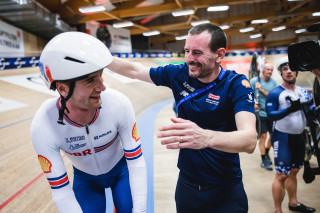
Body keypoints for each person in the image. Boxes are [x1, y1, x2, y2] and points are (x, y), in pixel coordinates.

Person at [107, 23, 257, 213]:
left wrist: (205, 137)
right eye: (186, 51)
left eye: (197, 53)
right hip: (187, 186)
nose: (189, 59)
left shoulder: (237, 85)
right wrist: (100, 58)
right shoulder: (178, 74)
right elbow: (135, 70)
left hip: (226, 188)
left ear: (219, 54)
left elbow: (250, 140)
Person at [30, 32, 147, 213]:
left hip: (122, 173)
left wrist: (140, 210)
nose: (102, 87)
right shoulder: (43, 125)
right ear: (62, 88)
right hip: (86, 181)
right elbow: (61, 192)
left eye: (101, 76)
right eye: (91, 80)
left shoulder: (118, 104)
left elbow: (136, 163)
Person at [266, 56, 315, 213]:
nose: (289, 72)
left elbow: (312, 113)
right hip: (282, 137)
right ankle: (277, 209)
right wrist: (289, 110)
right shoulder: (275, 93)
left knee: (294, 171)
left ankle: (293, 203)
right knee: (281, 175)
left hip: (299, 137)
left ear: (296, 72)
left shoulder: (303, 92)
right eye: (285, 69)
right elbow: (270, 114)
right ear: (281, 72)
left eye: (291, 69)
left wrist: (314, 112)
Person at [250, 63, 277, 170]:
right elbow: (248, 95)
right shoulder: (253, 81)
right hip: (260, 113)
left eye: (271, 70)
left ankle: (266, 153)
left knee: (273, 136)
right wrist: (253, 103)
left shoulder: (273, 83)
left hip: (271, 113)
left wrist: (261, 89)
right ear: (263, 70)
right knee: (263, 136)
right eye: (267, 69)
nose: (269, 71)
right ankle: (263, 160)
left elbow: (273, 97)